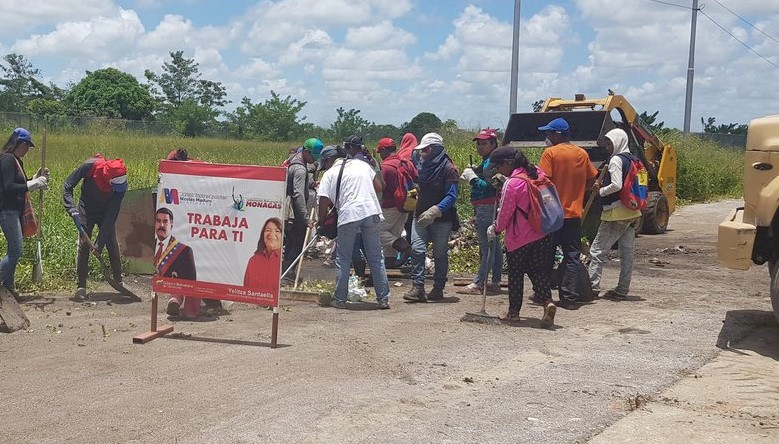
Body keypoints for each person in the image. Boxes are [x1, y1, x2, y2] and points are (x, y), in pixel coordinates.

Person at [488, 147, 556, 328]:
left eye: (498, 166)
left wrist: (495, 229)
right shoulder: (537, 173)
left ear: (508, 163)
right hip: (542, 233)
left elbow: (505, 213)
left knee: (516, 275)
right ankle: (547, 302)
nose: (497, 170)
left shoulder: (513, 184)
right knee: (538, 271)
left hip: (519, 238)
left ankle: (513, 313)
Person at [316, 143, 390, 310]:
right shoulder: (361, 165)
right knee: (375, 256)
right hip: (371, 211)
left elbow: (323, 201)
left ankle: (340, 299)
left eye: (325, 163)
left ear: (329, 160)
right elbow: (379, 188)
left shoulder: (329, 174)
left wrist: (321, 222)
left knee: (343, 258)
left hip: (349, 215)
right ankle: (383, 299)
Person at [538, 117, 598, 307]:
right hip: (574, 214)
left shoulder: (550, 154)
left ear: (558, 134)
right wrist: (579, 192)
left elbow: (542, 183)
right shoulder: (582, 154)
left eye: (549, 133)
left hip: (552, 215)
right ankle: (569, 298)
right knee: (572, 255)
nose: (546, 136)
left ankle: (544, 295)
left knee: (546, 255)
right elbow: (592, 179)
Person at [63, 153, 128, 302]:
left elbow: (111, 216)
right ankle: (81, 286)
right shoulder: (90, 166)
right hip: (87, 208)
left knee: (110, 241)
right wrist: (71, 208)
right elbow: (68, 185)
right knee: (85, 243)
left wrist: (99, 245)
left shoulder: (121, 186)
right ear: (107, 178)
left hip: (106, 211)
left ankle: (119, 281)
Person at [403, 133, 459, 303]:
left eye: (426, 149)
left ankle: (438, 288)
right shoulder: (422, 167)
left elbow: (451, 196)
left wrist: (436, 210)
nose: (423, 153)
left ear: (436, 149)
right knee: (417, 249)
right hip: (420, 216)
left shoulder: (449, 169)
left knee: (440, 254)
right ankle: (418, 287)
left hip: (441, 219)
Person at [588, 128, 642, 300]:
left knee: (597, 250)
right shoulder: (632, 159)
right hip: (631, 211)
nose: (607, 147)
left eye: (609, 143)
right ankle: (622, 289)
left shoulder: (616, 160)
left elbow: (617, 185)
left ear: (617, 142)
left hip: (615, 212)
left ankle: (592, 287)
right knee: (627, 253)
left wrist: (600, 191)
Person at [0, 128, 48, 299]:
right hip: (7, 211)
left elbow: (20, 185)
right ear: (19, 143)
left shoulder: (17, 161)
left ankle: (8, 289)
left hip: (15, 211)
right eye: (27, 146)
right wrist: (31, 185)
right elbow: (9, 187)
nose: (28, 149)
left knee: (13, 249)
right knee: (16, 250)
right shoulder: (6, 159)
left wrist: (34, 179)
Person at [458, 128, 503, 295]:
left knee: (487, 246)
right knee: (495, 245)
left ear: (493, 144)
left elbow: (491, 187)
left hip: (487, 206)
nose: (480, 147)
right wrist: (476, 172)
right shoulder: (487, 161)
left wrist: (473, 179)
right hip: (487, 206)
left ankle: (478, 283)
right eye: (478, 144)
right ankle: (496, 281)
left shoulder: (492, 162)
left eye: (484, 144)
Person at [375, 137, 417, 268]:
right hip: (407, 204)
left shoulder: (385, 167)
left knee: (376, 232)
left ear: (384, 151)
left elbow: (380, 188)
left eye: (380, 152)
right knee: (394, 233)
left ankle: (404, 247)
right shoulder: (407, 163)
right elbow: (416, 179)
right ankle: (390, 262)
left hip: (389, 205)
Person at [153, 207, 199, 318]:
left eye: (165, 221)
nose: (161, 225)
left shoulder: (184, 251)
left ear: (171, 225)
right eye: (158, 221)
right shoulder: (146, 246)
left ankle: (175, 300)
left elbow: (190, 281)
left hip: (174, 286)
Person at [282, 142, 318, 278]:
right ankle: (288, 273)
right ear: (306, 152)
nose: (315, 160)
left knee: (291, 242)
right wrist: (305, 217)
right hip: (295, 212)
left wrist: (311, 184)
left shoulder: (293, 162)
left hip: (289, 209)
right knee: (298, 242)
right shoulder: (300, 170)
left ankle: (285, 272)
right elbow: (298, 194)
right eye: (313, 156)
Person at [244, 217, 283, 295]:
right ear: (263, 234)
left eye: (277, 231)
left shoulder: (285, 261)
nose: (271, 234)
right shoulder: (253, 260)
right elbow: (246, 289)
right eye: (268, 230)